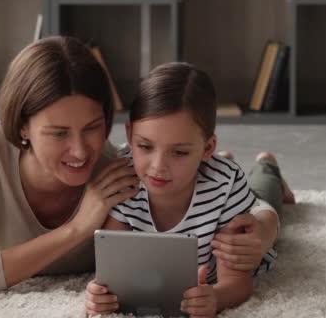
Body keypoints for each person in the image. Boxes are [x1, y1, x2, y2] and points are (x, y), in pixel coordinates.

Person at [0, 36, 139, 294]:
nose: (81, 150)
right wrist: (76, 228)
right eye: (59, 133)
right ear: (23, 126)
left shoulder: (114, 171)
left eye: (92, 127)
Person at [84, 62, 295, 317]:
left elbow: (239, 284)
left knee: (263, 194)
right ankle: (214, 159)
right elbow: (109, 273)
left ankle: (268, 165)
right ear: (129, 135)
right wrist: (98, 296)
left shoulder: (224, 184)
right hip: (208, 170)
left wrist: (215, 298)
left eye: (180, 152)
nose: (158, 167)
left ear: (207, 148)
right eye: (145, 147)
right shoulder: (122, 177)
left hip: (232, 193)